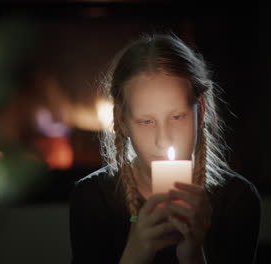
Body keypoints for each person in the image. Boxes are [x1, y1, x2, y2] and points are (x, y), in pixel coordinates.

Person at [69, 33, 261, 264]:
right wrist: (136, 253)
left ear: (200, 110)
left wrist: (192, 253)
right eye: (146, 121)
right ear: (122, 120)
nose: (163, 140)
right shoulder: (92, 198)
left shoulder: (237, 199)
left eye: (177, 117)